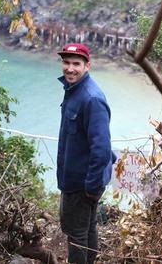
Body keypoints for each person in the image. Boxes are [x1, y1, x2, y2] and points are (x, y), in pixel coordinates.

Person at [56, 43, 114, 264]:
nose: (70, 69)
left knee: (76, 234)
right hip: (77, 179)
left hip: (82, 182)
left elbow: (101, 148)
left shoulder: (91, 98)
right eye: (66, 62)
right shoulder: (74, 91)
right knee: (87, 228)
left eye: (76, 64)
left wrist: (91, 186)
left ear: (87, 66)